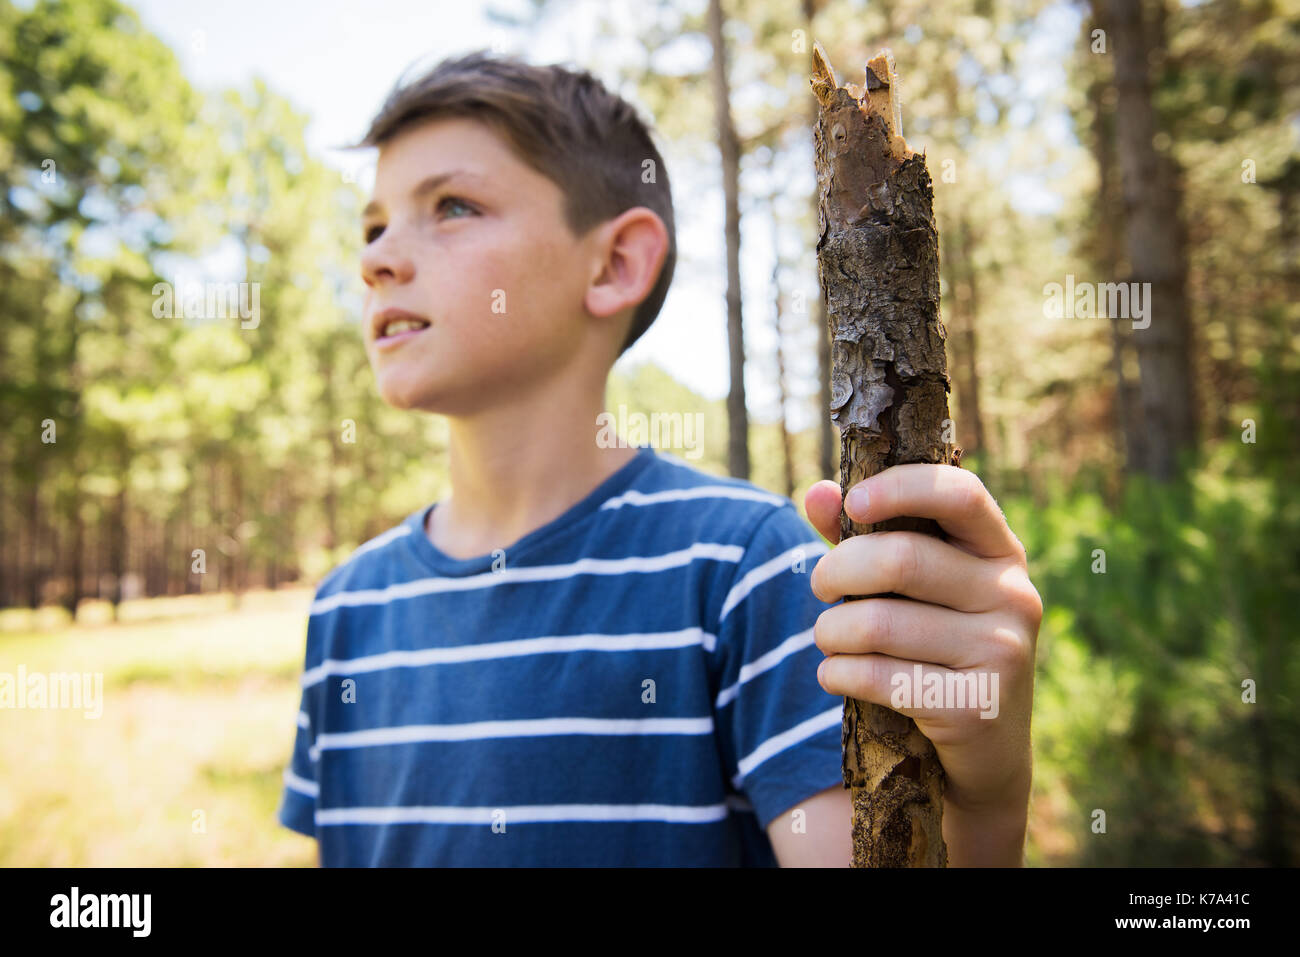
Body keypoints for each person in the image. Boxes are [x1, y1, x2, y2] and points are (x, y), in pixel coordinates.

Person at [275, 50, 1041, 866]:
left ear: (614, 263)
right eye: (372, 225)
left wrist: (990, 798)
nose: (376, 258)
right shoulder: (345, 609)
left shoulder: (741, 569)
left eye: (452, 205)